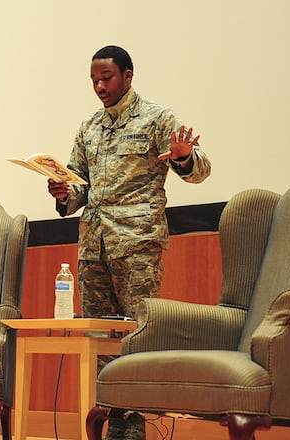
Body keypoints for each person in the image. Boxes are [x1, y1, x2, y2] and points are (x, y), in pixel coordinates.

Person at [47, 45, 211, 440]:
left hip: (136, 245)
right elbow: (78, 189)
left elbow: (200, 170)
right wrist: (61, 191)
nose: (99, 87)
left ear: (128, 76)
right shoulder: (89, 126)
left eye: (106, 79)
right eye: (94, 81)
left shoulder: (157, 118)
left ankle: (133, 432)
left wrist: (184, 157)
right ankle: (109, 429)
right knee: (101, 341)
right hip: (93, 246)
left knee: (135, 338)